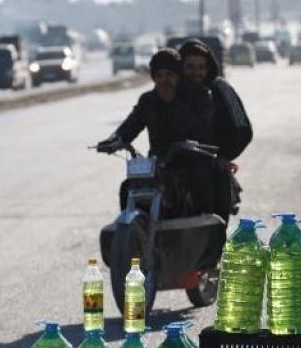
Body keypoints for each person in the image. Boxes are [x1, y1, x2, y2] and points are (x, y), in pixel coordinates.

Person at [96, 48, 217, 216]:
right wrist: (114, 140)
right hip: (159, 164)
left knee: (201, 184)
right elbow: (131, 124)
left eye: (169, 74)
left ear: (178, 76)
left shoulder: (198, 95)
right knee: (128, 188)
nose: (164, 80)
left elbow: (203, 129)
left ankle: (205, 234)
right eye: (159, 75)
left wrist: (177, 106)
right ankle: (133, 235)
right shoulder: (148, 101)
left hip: (191, 160)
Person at [177, 38, 254, 219]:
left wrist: (223, 157)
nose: (196, 73)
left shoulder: (221, 89)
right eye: (190, 67)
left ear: (208, 67)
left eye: (201, 67)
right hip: (175, 162)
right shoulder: (173, 90)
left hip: (212, 166)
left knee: (215, 223)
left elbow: (243, 130)